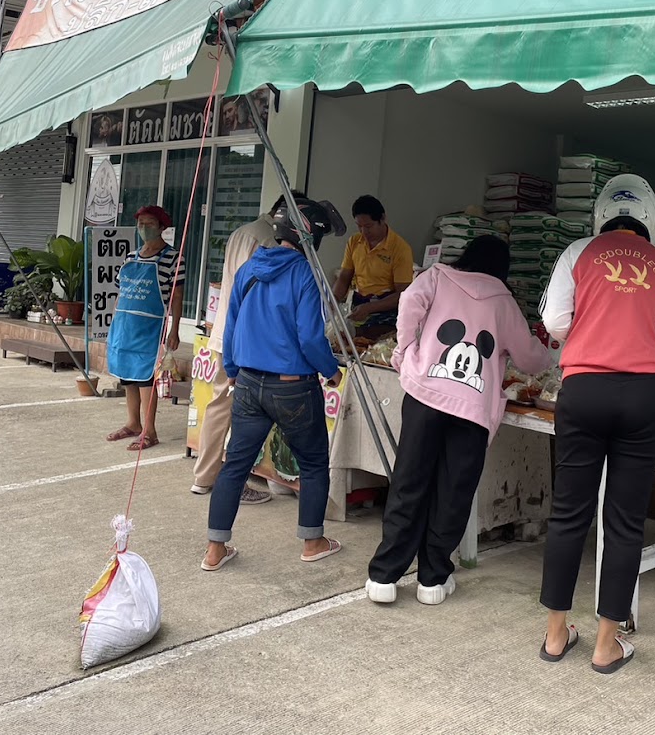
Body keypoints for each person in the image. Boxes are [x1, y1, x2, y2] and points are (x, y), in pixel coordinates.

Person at [537, 174, 655, 673]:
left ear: (601, 214)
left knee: (568, 513)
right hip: (644, 395)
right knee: (625, 521)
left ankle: (556, 636)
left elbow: (554, 321)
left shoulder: (578, 251)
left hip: (585, 390)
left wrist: (590, 328)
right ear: (651, 219)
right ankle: (605, 645)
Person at [365, 235, 551, 606]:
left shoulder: (437, 277)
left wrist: (405, 349)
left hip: (425, 396)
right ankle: (433, 580)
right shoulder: (503, 301)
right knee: (453, 492)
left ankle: (384, 576)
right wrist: (552, 353)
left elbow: (408, 302)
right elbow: (530, 359)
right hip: (472, 409)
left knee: (408, 483)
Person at [202, 196, 344, 571]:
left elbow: (231, 326)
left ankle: (215, 549)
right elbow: (310, 338)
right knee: (313, 463)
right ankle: (313, 542)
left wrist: (233, 370)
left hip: (248, 383)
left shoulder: (249, 268)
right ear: (310, 237)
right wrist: (331, 370)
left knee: (235, 465)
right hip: (293, 387)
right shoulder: (304, 274)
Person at [191, 191, 309, 505]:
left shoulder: (241, 231)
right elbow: (260, 293)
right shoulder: (269, 240)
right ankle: (234, 480)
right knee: (244, 414)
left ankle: (204, 476)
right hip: (249, 339)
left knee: (219, 407)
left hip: (225, 331)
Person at [105, 205, 184, 451]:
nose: (144, 228)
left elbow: (177, 296)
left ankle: (149, 431)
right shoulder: (131, 256)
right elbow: (121, 291)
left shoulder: (173, 258)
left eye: (149, 223)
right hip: (123, 325)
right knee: (127, 376)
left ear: (162, 227)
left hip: (149, 327)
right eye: (140, 223)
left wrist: (174, 329)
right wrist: (114, 322)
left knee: (145, 378)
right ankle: (133, 423)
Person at [332, 195, 413, 339]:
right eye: (359, 226)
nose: (364, 232)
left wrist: (370, 308)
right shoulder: (354, 242)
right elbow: (344, 278)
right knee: (342, 337)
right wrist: (333, 301)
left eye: (368, 226)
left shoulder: (400, 249)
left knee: (371, 340)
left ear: (382, 219)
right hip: (359, 306)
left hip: (386, 310)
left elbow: (403, 293)